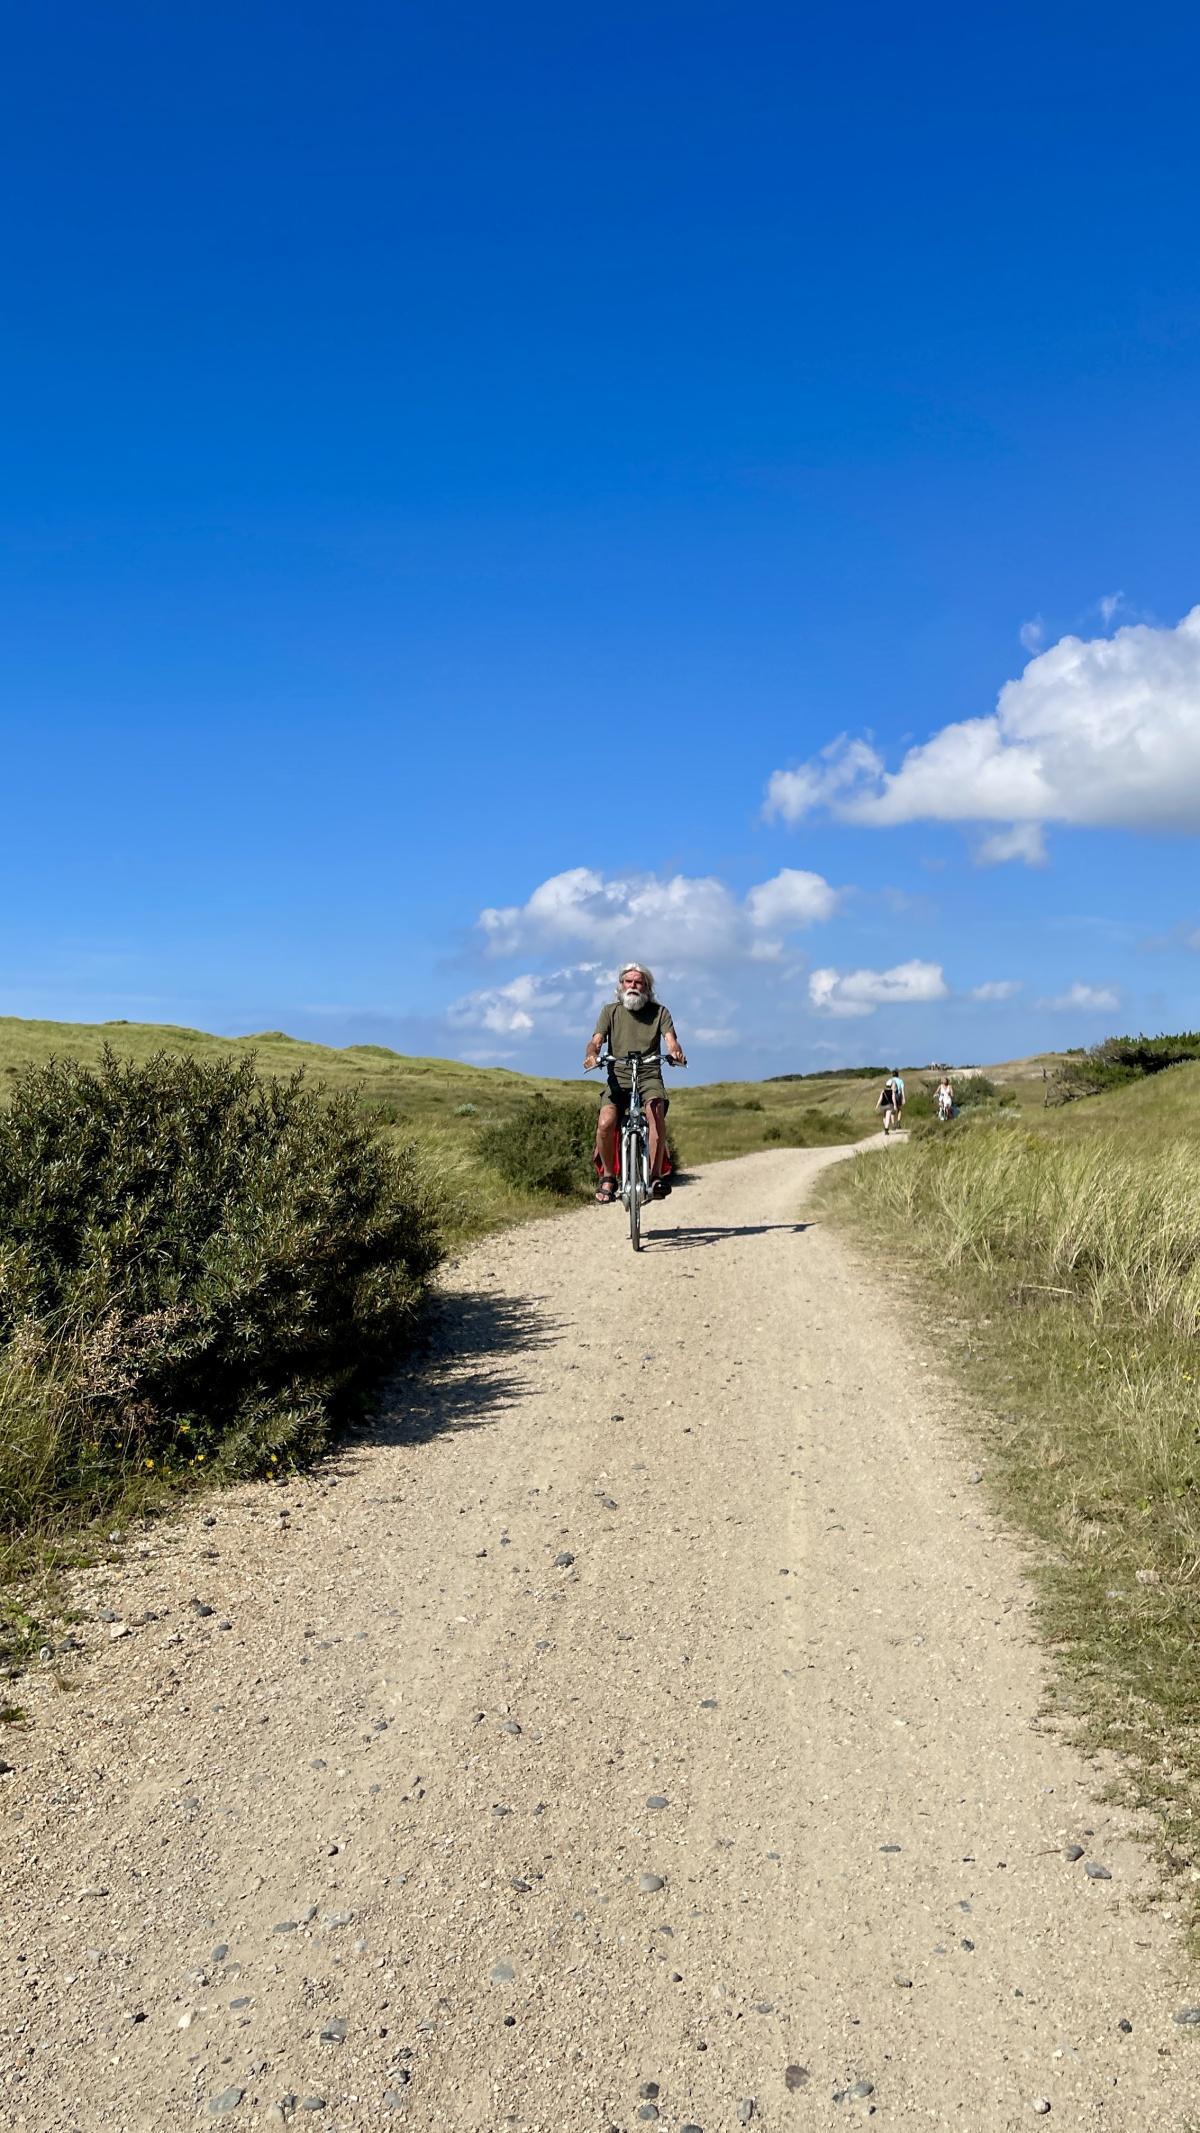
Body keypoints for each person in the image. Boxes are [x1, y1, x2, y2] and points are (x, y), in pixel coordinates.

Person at [583, 963, 687, 1204]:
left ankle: (654, 1177)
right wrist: (591, 1054)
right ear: (621, 986)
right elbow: (596, 1041)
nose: (633, 986)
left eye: (638, 982)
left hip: (649, 1075)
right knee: (606, 1122)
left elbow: (671, 1042)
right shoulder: (610, 1011)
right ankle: (609, 1177)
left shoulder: (660, 1013)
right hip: (618, 1077)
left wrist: (676, 1053)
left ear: (647, 987)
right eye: (628, 982)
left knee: (655, 1113)